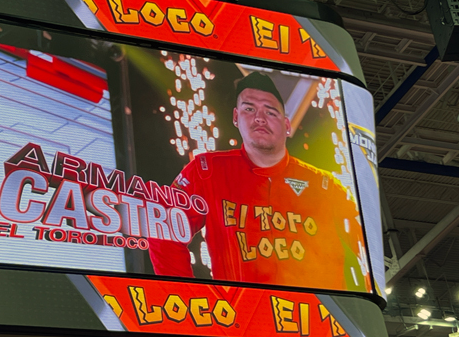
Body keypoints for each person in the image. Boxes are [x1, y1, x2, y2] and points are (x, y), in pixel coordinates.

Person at [148, 72, 370, 291]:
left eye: (270, 112)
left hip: (316, 320)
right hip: (242, 320)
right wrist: (191, 298)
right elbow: (164, 230)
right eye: (249, 109)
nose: (260, 118)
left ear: (287, 125)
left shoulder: (325, 185)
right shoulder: (207, 171)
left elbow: (366, 248)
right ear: (236, 117)